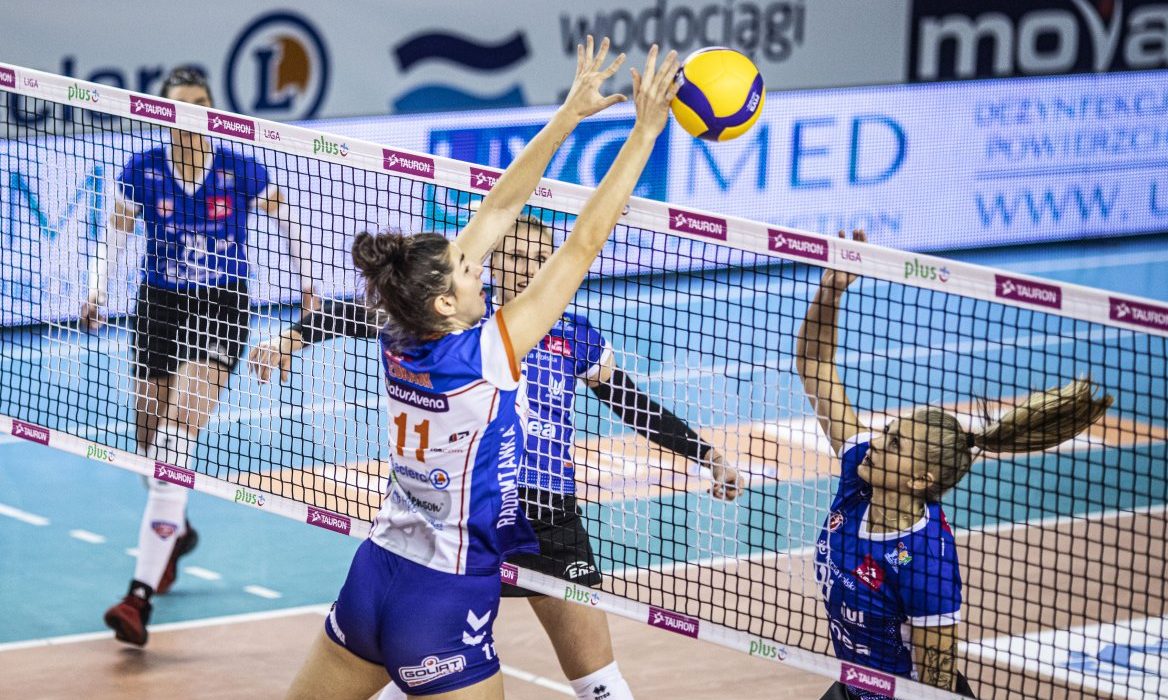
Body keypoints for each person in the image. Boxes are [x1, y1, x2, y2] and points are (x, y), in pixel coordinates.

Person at [284, 41, 682, 700]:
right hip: (442, 601)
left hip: (373, 574)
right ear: (445, 302)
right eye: (469, 270)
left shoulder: (398, 330)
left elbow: (497, 208)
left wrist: (568, 115)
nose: (480, 268)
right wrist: (643, 132)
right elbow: (583, 242)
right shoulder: (486, 352)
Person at [252, 213, 743, 700]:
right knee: (418, 659)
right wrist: (291, 337)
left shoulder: (575, 335)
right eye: (516, 255)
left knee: (599, 682)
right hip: (469, 518)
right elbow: (357, 315)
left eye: (540, 257)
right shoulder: (450, 326)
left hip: (548, 517)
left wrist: (706, 454)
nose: (530, 267)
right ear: (490, 263)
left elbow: (633, 405)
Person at [798, 229, 1113, 699]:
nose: (877, 443)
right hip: (857, 687)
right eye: (888, 433)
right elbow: (815, 363)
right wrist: (832, 291)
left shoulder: (925, 563)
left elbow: (937, 684)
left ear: (919, 479)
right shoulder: (859, 471)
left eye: (894, 444)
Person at [80, 65, 315, 646]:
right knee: (147, 436)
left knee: (178, 430)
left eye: (199, 103)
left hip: (222, 305)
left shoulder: (240, 168)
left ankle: (138, 596)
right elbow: (115, 232)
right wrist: (97, 290)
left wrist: (307, 284)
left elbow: (289, 217)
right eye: (179, 105)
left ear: (213, 108)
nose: (190, 115)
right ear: (163, 112)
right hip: (158, 303)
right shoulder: (143, 169)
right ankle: (176, 531)